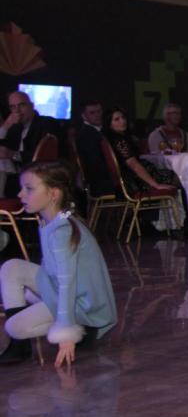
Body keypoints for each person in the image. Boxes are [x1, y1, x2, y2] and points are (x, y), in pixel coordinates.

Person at [0, 161, 117, 366]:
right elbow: (51, 271)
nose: (20, 194)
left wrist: (66, 334)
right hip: (66, 293)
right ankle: (20, 348)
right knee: (11, 267)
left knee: (13, 327)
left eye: (29, 188)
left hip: (84, 309)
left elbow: (67, 284)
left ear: (53, 194)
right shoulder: (52, 221)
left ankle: (82, 330)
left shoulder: (62, 232)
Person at [0, 91, 64, 196]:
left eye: (21, 105)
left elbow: (45, 158)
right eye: (13, 107)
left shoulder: (47, 123)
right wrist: (5, 126)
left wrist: (13, 154)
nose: (17, 111)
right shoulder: (13, 128)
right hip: (16, 181)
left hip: (43, 179)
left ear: (32, 106)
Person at [103, 107, 180, 193]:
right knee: (179, 176)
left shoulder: (118, 138)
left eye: (123, 117)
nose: (123, 121)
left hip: (138, 176)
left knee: (176, 174)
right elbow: (133, 165)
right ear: (109, 124)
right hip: (135, 181)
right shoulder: (119, 141)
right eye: (117, 119)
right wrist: (155, 185)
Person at [75, 99, 114, 196]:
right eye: (92, 113)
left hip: (103, 180)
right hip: (101, 183)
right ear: (84, 116)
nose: (97, 115)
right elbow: (96, 164)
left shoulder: (99, 131)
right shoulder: (86, 136)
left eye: (99, 111)